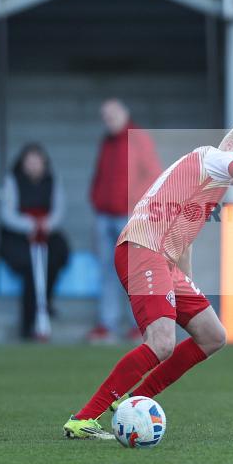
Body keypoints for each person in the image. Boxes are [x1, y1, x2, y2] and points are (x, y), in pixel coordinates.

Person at [63, 126, 233, 439]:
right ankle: (84, 418)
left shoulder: (209, 180)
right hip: (144, 249)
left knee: (212, 336)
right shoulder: (212, 157)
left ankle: (134, 400)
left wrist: (185, 287)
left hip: (163, 259)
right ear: (230, 145)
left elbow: (185, 241)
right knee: (162, 343)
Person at [88, 99, 162, 343]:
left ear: (124, 113)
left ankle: (138, 325)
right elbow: (100, 174)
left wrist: (137, 207)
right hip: (105, 215)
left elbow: (152, 174)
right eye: (105, 116)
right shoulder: (106, 141)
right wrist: (96, 199)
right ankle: (106, 324)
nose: (108, 120)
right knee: (106, 272)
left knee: (135, 274)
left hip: (129, 217)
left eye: (112, 115)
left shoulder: (138, 138)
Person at [0, 143, 70, 341]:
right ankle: (27, 323)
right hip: (19, 235)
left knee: (57, 255)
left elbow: (59, 210)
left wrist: (46, 225)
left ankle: (45, 302)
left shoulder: (52, 181)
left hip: (46, 232)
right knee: (31, 267)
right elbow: (7, 214)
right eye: (29, 161)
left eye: (37, 161)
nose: (33, 165)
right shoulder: (12, 181)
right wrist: (29, 225)